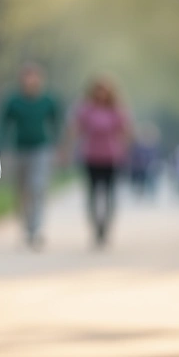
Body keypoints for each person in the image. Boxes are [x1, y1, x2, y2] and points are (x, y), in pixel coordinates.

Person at [0, 63, 62, 249]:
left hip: (41, 149)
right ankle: (26, 226)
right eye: (27, 77)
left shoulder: (48, 100)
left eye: (34, 77)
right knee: (22, 190)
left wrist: (58, 146)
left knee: (37, 188)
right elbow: (3, 124)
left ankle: (36, 228)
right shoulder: (14, 101)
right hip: (19, 150)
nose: (30, 81)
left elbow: (56, 123)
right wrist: (1, 147)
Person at [66, 76, 132, 248]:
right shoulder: (86, 109)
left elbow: (126, 131)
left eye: (105, 90)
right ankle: (95, 227)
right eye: (98, 89)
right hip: (91, 156)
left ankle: (106, 227)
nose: (101, 93)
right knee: (92, 194)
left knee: (110, 195)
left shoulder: (116, 110)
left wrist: (126, 148)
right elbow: (75, 129)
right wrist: (68, 147)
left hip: (111, 157)